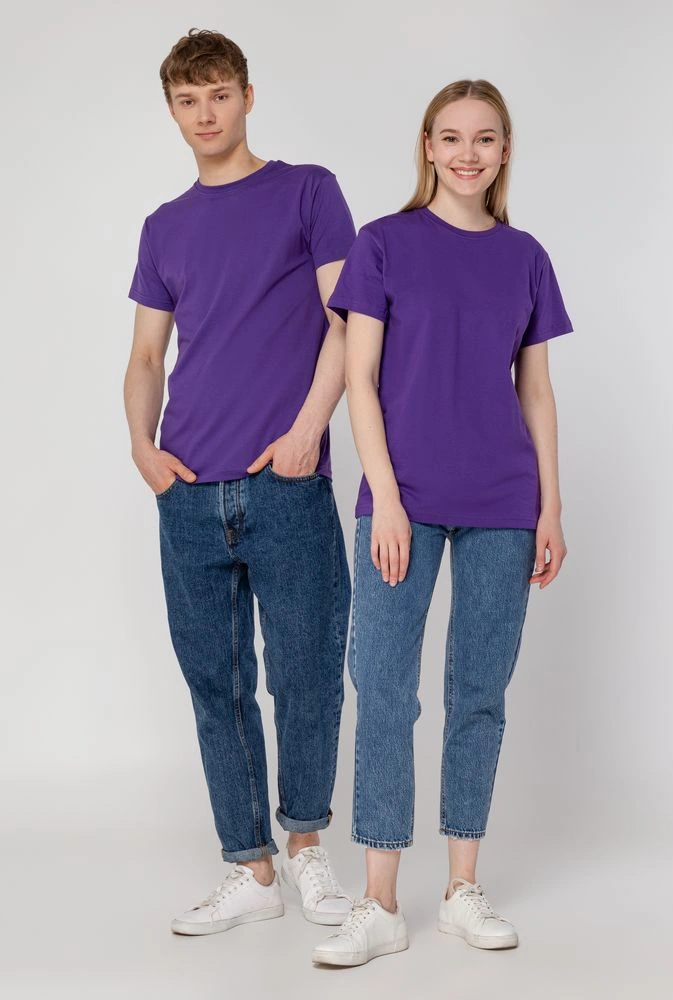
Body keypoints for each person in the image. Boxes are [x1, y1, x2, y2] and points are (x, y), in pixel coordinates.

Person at [312, 79, 574, 966]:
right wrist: (385, 496)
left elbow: (535, 389)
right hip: (404, 499)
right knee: (384, 688)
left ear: (504, 151)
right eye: (451, 137)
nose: (468, 153)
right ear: (427, 146)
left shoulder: (525, 255)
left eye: (485, 138)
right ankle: (380, 902)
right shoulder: (383, 243)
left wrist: (551, 504)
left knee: (479, 692)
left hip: (504, 500)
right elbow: (359, 379)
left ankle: (463, 888)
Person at [123, 28, 355, 935]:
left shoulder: (308, 191)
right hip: (187, 490)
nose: (205, 114)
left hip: (285, 483)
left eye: (219, 94)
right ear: (172, 110)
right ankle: (250, 868)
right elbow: (148, 354)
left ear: (247, 96)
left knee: (306, 676)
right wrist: (142, 447)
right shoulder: (163, 227)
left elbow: (349, 321)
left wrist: (307, 431)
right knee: (214, 685)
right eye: (188, 100)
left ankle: (306, 849)